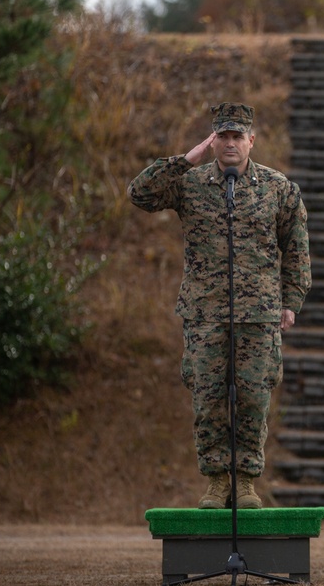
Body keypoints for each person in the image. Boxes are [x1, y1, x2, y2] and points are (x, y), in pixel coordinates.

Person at [127, 102, 312, 510]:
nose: (230, 143)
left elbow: (296, 248)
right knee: (208, 399)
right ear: (213, 142)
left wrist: (290, 301)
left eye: (237, 136)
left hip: (259, 315)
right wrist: (184, 159)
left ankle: (245, 481)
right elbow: (140, 193)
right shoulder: (190, 184)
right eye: (222, 137)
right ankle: (216, 481)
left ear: (251, 141)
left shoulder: (278, 188)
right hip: (205, 313)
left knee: (252, 399)